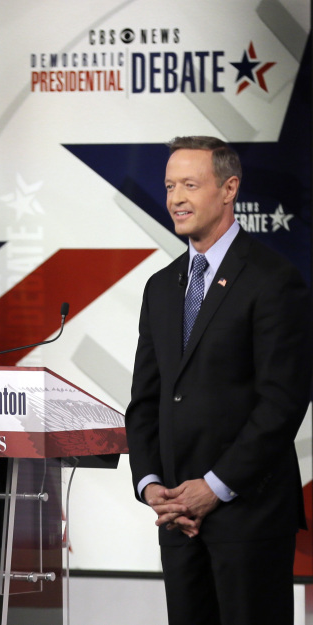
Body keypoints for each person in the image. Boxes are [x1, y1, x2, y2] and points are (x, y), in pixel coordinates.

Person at [126, 137, 312, 625]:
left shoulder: (273, 279)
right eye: (169, 186)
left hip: (247, 516)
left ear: (229, 189)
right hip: (177, 520)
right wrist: (150, 485)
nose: (175, 199)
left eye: (190, 184)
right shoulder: (161, 286)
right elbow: (145, 400)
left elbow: (282, 402)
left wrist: (214, 486)